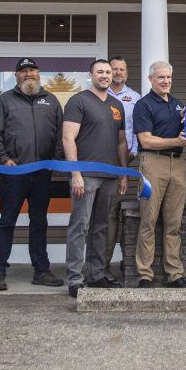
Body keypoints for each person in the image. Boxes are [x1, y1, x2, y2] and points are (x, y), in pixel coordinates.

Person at [0, 58, 66, 290]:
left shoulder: (51, 101)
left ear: (38, 73)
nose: (28, 74)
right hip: (14, 172)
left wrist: (55, 160)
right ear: (16, 75)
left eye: (32, 70)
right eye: (23, 71)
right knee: (6, 221)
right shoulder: (5, 100)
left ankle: (41, 270)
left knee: (39, 222)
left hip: (42, 173)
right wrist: (4, 159)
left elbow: (60, 134)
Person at [64, 60, 129, 297]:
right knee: (80, 226)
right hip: (86, 176)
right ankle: (75, 278)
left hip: (111, 175)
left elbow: (121, 142)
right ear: (90, 74)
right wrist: (75, 173)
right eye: (100, 72)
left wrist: (122, 173)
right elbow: (67, 138)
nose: (105, 76)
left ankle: (97, 275)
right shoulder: (78, 101)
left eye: (108, 72)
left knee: (101, 226)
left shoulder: (116, 105)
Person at [132, 60, 186, 288]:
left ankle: (174, 273)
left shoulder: (178, 104)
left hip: (177, 164)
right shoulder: (143, 105)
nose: (166, 81)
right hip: (152, 164)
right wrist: (176, 140)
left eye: (168, 77)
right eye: (161, 78)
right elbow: (145, 139)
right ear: (151, 80)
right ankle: (144, 274)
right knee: (148, 219)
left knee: (174, 222)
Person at [104, 56, 141, 281]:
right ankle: (101, 264)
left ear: (126, 73)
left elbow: (137, 129)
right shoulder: (97, 95)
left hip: (125, 162)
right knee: (105, 216)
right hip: (98, 161)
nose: (118, 73)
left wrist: (133, 153)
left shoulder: (135, 98)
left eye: (121, 69)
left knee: (120, 214)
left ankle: (123, 262)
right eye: (114, 69)